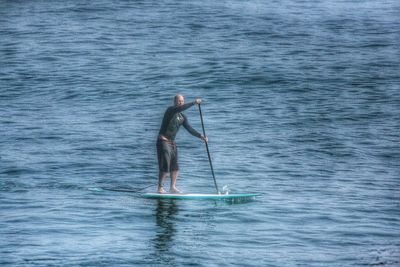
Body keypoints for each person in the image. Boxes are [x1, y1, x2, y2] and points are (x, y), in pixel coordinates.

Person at [156, 94, 208, 193]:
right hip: (163, 141)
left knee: (175, 166)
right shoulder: (170, 110)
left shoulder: (182, 117)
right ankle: (160, 188)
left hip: (172, 143)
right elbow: (181, 108)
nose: (181, 102)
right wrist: (194, 102)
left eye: (182, 101)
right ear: (174, 102)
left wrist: (201, 136)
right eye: (179, 101)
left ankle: (172, 187)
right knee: (165, 165)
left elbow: (189, 129)